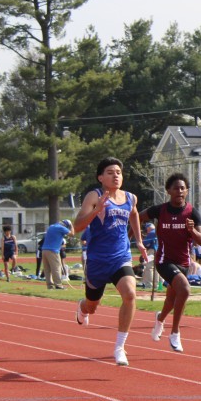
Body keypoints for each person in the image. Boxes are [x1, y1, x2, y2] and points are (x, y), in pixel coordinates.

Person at [73, 157, 148, 367]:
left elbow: (134, 214)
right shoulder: (94, 196)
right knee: (92, 306)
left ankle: (119, 347)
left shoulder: (130, 197)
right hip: (97, 260)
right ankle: (82, 307)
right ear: (100, 177)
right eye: (110, 172)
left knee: (130, 294)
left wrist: (139, 241)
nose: (115, 175)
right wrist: (96, 210)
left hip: (120, 257)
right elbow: (77, 226)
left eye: (118, 172)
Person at [139, 173, 201, 352]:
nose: (180, 191)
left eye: (183, 188)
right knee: (185, 289)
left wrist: (192, 231)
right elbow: (137, 216)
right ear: (168, 191)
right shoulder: (160, 210)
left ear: (187, 191)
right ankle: (175, 333)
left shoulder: (192, 213)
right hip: (164, 260)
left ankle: (160, 319)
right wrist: (134, 237)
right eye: (176, 188)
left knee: (171, 299)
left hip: (183, 263)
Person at [41, 219, 72, 289]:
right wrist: (72, 226)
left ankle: (50, 285)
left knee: (47, 269)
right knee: (56, 268)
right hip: (53, 250)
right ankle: (58, 285)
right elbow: (72, 234)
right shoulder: (61, 228)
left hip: (44, 249)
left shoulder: (51, 226)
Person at [141, 221, 158, 289]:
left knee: (149, 267)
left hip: (152, 251)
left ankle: (149, 284)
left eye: (146, 229)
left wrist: (142, 238)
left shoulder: (151, 233)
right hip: (159, 251)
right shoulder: (158, 231)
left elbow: (145, 243)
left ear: (149, 228)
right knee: (156, 269)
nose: (146, 231)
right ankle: (156, 285)